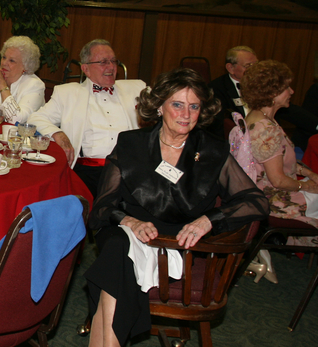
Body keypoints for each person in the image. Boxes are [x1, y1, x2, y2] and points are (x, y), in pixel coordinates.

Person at [86, 67, 268, 347]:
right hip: (129, 233)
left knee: (113, 262)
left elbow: (256, 202)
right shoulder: (131, 144)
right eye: (177, 105)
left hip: (177, 243)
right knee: (118, 246)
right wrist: (130, 221)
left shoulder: (211, 151)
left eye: (194, 106)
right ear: (159, 106)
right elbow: (101, 208)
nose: (186, 114)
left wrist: (210, 220)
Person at [28, 39, 146, 198]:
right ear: (86, 69)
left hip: (129, 170)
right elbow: (35, 118)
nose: (111, 67)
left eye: (113, 61)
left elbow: (165, 107)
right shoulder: (67, 93)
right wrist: (58, 134)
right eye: (103, 62)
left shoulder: (137, 88)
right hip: (89, 172)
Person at [240, 60, 318, 243]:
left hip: (265, 192)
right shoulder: (266, 129)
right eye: (287, 88)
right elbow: (278, 180)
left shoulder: (258, 117)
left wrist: (309, 173)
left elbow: (278, 156)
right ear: (271, 93)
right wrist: (307, 186)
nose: (292, 92)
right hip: (274, 201)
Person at [209, 45, 318, 146]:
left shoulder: (262, 84)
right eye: (248, 66)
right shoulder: (216, 89)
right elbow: (217, 128)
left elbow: (291, 111)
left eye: (256, 65)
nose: (254, 70)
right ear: (230, 68)